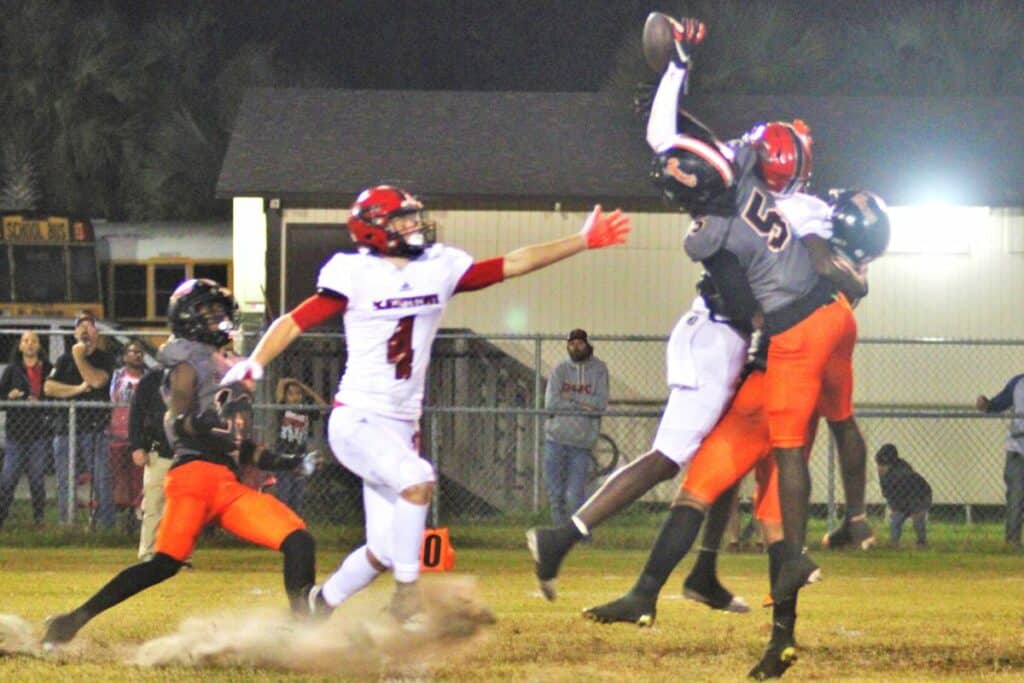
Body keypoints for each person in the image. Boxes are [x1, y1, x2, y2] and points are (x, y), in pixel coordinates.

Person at [221, 184, 630, 622]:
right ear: (375, 228)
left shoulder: (438, 266)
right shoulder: (354, 272)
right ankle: (407, 597)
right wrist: (253, 364)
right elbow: (293, 321)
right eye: (403, 219)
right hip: (357, 417)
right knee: (417, 479)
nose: (415, 225)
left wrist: (582, 240)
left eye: (414, 216)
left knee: (384, 549)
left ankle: (318, 606)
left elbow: (514, 262)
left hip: (401, 425)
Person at [42, 279, 321, 647]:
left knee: (299, 540)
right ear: (188, 317)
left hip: (227, 485)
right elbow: (177, 417)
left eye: (221, 311)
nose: (220, 318)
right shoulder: (186, 361)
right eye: (210, 311)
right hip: (193, 478)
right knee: (164, 563)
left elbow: (239, 444)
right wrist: (200, 422)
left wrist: (288, 462)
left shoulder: (226, 366)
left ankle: (307, 634)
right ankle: (70, 622)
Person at [45, 312, 116, 529]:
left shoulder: (104, 358)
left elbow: (96, 381)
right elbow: (49, 388)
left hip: (94, 429)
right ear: (75, 333)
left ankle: (105, 526)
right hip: (65, 429)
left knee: (101, 479)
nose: (85, 329)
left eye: (90, 325)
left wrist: (79, 357)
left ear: (96, 332)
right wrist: (77, 389)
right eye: (80, 326)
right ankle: (67, 525)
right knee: (65, 480)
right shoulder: (64, 359)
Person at [543, 328, 609, 527]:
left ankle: (579, 533)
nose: (575, 347)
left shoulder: (599, 370)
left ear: (587, 345)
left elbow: (599, 405)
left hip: (582, 443)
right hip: (555, 439)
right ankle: (560, 535)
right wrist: (584, 405)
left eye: (580, 343)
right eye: (571, 344)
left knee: (575, 496)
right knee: (556, 495)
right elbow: (551, 404)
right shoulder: (560, 370)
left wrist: (571, 397)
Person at [0, 331, 53, 529]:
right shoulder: (12, 370)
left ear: (39, 345)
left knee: (37, 479)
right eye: (26, 341)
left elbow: (54, 395)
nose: (30, 344)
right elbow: (1, 397)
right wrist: (10, 396)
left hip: (38, 432)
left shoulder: (47, 368)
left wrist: (41, 402)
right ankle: (2, 517)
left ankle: (39, 519)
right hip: (15, 433)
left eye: (34, 341)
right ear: (20, 346)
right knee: (8, 478)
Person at [128, 362, 173, 561]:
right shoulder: (152, 379)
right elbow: (136, 413)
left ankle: (178, 553)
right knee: (154, 504)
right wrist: (137, 445)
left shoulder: (195, 376)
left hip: (186, 452)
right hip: (158, 450)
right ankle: (149, 552)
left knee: (183, 507)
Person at [976, 377, 1024, 547]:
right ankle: (1012, 540)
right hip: (1018, 448)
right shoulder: (1018, 383)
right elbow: (1000, 403)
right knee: (1016, 494)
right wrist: (987, 405)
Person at [273, 377, 328, 513]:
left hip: (300, 458)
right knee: (284, 496)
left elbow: (324, 407)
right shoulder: (283, 409)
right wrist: (292, 381)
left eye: (298, 394)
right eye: (291, 394)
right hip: (284, 458)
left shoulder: (305, 410)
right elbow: (280, 384)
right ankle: (282, 522)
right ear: (285, 397)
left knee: (297, 499)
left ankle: (294, 522)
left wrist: (305, 388)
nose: (295, 397)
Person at [108, 340, 146, 533]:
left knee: (138, 478)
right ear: (124, 356)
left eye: (140, 352)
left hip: (138, 436)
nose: (137, 355)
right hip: (118, 434)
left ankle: (136, 515)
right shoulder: (117, 376)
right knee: (120, 478)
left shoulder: (147, 378)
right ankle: (122, 514)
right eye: (133, 352)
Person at [874, 444, 932, 548]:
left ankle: (921, 542)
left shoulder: (903, 473)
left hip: (919, 496)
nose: (879, 468)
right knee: (896, 519)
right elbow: (887, 493)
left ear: (891, 465)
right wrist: (895, 506)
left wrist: (914, 509)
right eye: (879, 465)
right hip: (902, 497)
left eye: (883, 465)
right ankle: (894, 542)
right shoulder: (886, 475)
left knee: (917, 519)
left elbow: (915, 491)